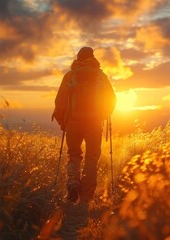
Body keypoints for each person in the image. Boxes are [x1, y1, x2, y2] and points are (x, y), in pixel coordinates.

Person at [52, 47, 116, 204]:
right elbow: (112, 100)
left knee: (74, 155)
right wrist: (103, 114)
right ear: (92, 57)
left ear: (78, 58)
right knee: (91, 158)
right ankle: (86, 197)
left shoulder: (70, 76)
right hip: (94, 124)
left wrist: (63, 122)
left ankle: (73, 185)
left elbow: (59, 102)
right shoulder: (101, 77)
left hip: (73, 123)